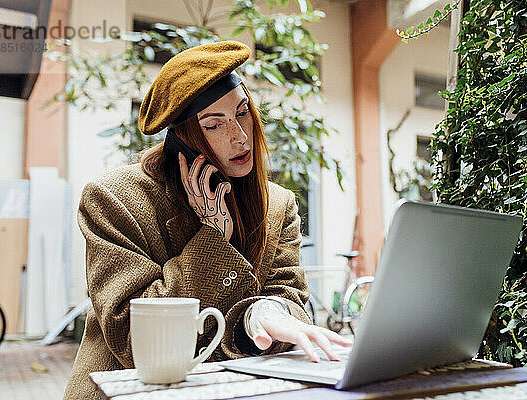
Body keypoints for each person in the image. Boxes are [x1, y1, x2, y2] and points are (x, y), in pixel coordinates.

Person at [63, 40, 351, 400]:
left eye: (242, 112)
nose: (240, 136)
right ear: (184, 141)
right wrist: (212, 239)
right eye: (215, 125)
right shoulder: (113, 198)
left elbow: (288, 297)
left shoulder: (277, 204)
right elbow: (133, 340)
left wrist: (260, 314)